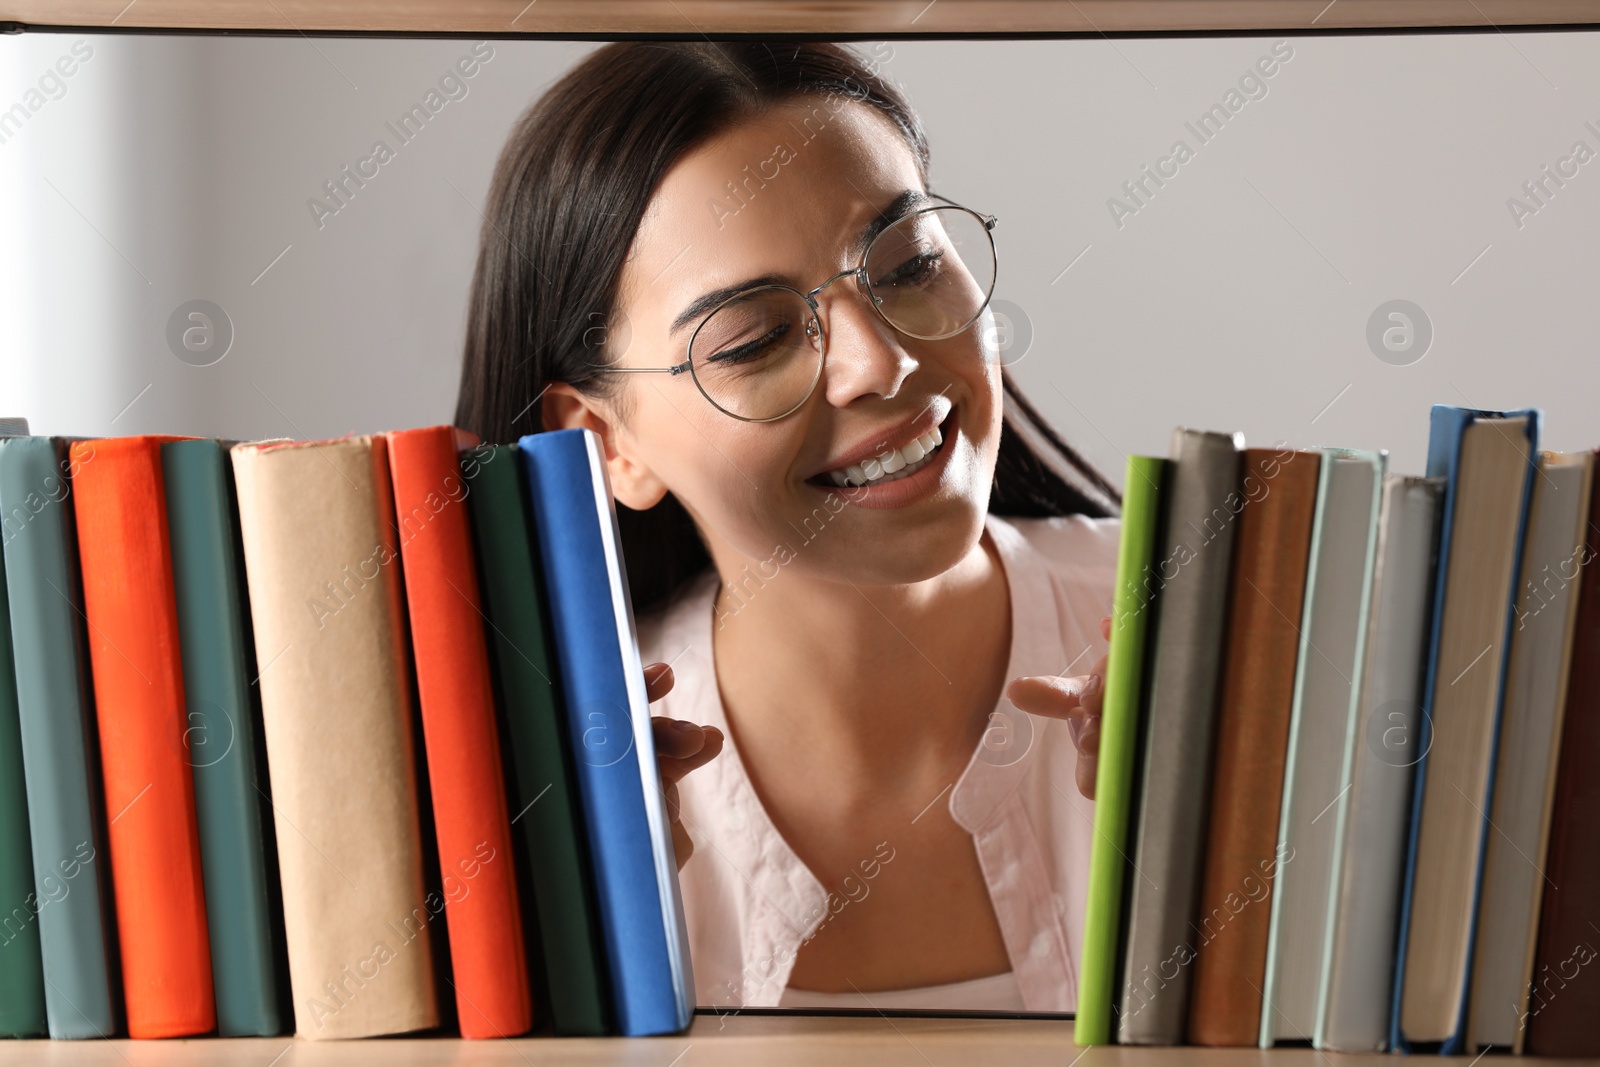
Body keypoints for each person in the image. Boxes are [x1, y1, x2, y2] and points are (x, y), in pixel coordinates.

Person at [455, 41, 1121, 1013]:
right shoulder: (528, 804)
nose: (878, 363)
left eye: (911, 264)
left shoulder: (1239, 639)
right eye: (756, 336)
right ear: (603, 442)